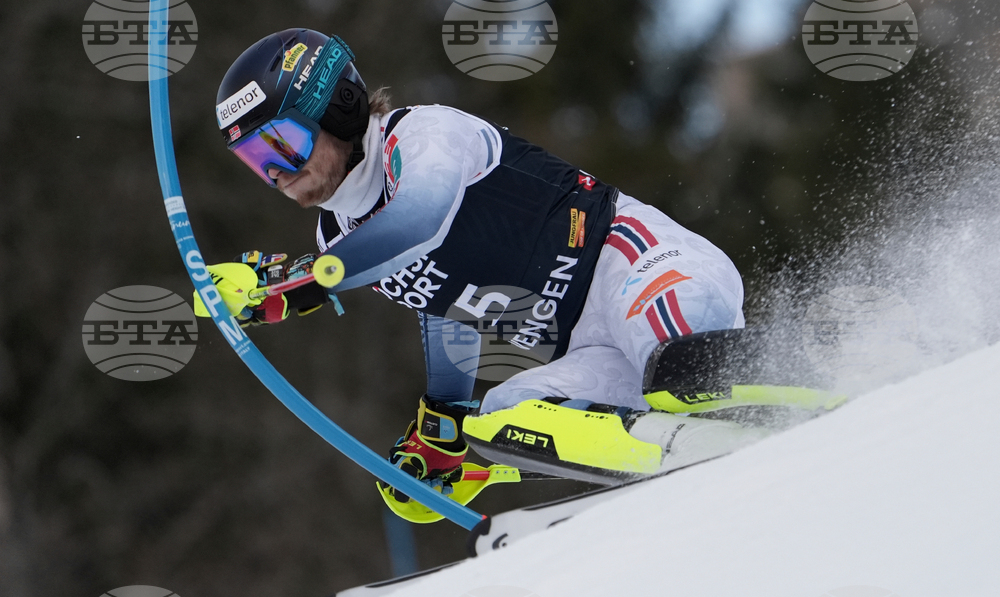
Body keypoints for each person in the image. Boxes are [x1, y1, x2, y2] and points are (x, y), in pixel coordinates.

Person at [203, 28, 756, 498]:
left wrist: (305, 280)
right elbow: (442, 300)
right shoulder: (340, 240)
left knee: (677, 371)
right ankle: (678, 476)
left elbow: (420, 222)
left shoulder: (426, 136)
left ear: (339, 106)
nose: (277, 172)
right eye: (257, 159)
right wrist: (443, 423)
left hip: (644, 269)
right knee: (503, 419)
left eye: (284, 143)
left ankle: (788, 409)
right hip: (593, 348)